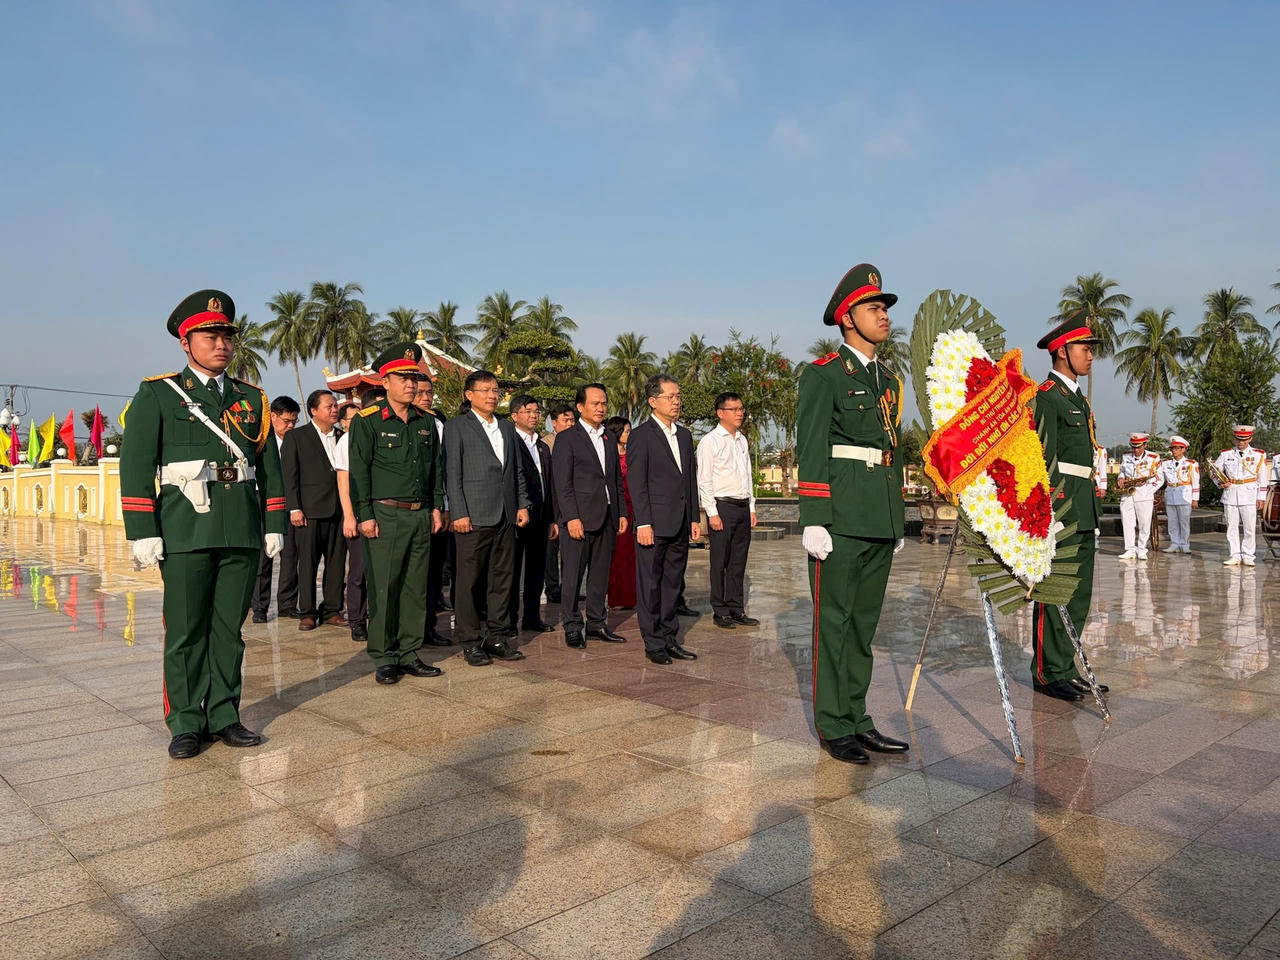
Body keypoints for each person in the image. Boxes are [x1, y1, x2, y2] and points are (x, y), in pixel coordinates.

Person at [120, 289, 286, 758]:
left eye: (226, 336)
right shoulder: (160, 393)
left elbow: (268, 465)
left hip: (240, 528)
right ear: (185, 342)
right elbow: (135, 464)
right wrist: (143, 530)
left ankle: (225, 714)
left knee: (228, 631)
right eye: (209, 335)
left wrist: (273, 521)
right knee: (187, 630)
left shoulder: (250, 397)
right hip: (186, 528)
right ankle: (186, 722)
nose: (221, 344)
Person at [797, 263, 909, 764]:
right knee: (834, 624)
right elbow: (812, 445)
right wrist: (814, 517)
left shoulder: (888, 379)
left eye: (884, 308)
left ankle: (858, 718)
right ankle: (834, 723)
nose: (883, 316)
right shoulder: (823, 375)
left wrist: (896, 514)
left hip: (877, 517)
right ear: (847, 318)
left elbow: (892, 450)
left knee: (864, 627)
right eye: (873, 308)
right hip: (840, 518)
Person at [347, 343, 446, 684]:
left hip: (419, 514)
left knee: (414, 587)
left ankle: (408, 651)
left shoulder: (426, 422)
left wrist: (436, 507)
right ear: (385, 381)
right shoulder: (368, 421)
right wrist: (364, 515)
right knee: (385, 586)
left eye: (414, 377)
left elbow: (434, 468)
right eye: (402, 377)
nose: (411, 384)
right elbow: (358, 471)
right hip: (385, 514)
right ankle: (385, 655)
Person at [1029, 312, 1109, 703]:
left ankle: (1067, 666)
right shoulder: (1046, 396)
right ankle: (1046, 671)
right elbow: (1043, 460)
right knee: (1054, 591)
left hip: (1083, 503)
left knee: (1079, 592)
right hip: (1062, 506)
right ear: (1061, 351)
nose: (1090, 355)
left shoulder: (1077, 397)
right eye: (1084, 348)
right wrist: (1049, 512)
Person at [444, 370, 530, 665]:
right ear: (469, 395)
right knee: (468, 581)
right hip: (474, 516)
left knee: (503, 579)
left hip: (506, 515)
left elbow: (515, 470)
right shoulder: (457, 427)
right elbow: (452, 474)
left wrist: (522, 504)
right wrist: (459, 512)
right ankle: (470, 640)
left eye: (495, 390)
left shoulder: (506, 428)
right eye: (486, 390)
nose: (493, 395)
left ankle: (497, 635)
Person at [628, 375, 700, 664]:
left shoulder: (684, 435)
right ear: (653, 401)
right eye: (670, 397)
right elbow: (637, 482)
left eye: (678, 396)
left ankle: (670, 638)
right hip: (654, 525)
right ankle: (653, 642)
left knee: (673, 584)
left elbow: (689, 481)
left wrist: (694, 517)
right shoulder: (641, 435)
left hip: (680, 522)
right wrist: (643, 522)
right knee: (650, 584)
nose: (676, 401)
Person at [554, 383, 626, 648]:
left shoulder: (608, 437)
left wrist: (620, 512)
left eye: (604, 403)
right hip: (579, 519)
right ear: (580, 406)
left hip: (606, 516)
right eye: (595, 403)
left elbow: (615, 479)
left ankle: (596, 622)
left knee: (599, 574)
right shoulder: (567, 438)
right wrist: (571, 517)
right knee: (573, 575)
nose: (601, 407)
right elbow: (563, 483)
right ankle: (572, 625)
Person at [282, 389, 348, 629]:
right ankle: (307, 612)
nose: (334, 410)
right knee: (308, 563)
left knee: (336, 562)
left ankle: (332, 610)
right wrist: (294, 508)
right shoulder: (297, 437)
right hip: (309, 511)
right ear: (313, 410)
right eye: (329, 406)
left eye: (335, 406)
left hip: (339, 511)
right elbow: (289, 476)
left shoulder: (342, 436)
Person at [697, 391, 759, 629]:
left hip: (742, 506)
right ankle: (720, 609)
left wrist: (752, 506)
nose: (740, 413)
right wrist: (712, 513)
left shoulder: (742, 440)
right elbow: (704, 480)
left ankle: (736, 607)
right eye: (734, 409)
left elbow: (747, 475)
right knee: (720, 561)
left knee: (738, 561)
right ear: (720, 413)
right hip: (722, 506)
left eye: (741, 409)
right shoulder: (710, 442)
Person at [509, 394, 558, 633]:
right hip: (518, 516)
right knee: (512, 569)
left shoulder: (542, 445)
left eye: (536, 411)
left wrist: (552, 519)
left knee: (536, 569)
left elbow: (549, 483)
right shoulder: (509, 441)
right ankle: (509, 620)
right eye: (527, 410)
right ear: (514, 415)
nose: (533, 415)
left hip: (541, 516)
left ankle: (531, 617)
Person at [251, 396, 300, 622]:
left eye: (294, 422)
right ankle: (259, 607)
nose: (290, 426)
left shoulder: (297, 441)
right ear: (273, 417)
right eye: (287, 421)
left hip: (290, 502)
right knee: (264, 556)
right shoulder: (259, 439)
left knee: (290, 555)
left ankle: (288, 604)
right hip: (264, 499)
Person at [414, 377, 452, 648]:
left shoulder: (437, 424)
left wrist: (445, 506)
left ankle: (428, 626)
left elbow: (444, 470)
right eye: (421, 392)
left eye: (430, 392)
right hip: (410, 510)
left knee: (432, 574)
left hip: (437, 509)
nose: (426, 397)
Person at [334, 399, 369, 641]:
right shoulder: (346, 441)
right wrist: (349, 515)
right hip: (357, 513)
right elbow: (344, 481)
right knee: (358, 570)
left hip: (382, 512)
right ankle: (357, 619)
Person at [1213, 425, 1268, 566]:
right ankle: (1235, 555)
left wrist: (1261, 497)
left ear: (1250, 438)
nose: (1241, 442)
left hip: (1249, 494)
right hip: (1230, 493)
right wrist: (1220, 483)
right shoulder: (1226, 454)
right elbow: (1214, 471)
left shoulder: (1259, 454)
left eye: (1244, 439)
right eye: (1238, 439)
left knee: (1249, 527)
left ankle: (1248, 555)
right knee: (1231, 526)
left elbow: (1263, 477)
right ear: (1234, 438)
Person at [542, 402, 577, 605]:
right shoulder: (546, 443)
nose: (570, 424)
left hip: (571, 503)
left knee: (569, 549)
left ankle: (568, 587)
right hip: (552, 503)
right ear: (554, 423)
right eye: (566, 420)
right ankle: (552, 586)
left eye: (572, 420)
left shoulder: (579, 442)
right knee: (550, 549)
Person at [604, 416, 637, 610]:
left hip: (635, 509)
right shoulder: (609, 455)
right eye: (626, 431)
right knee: (617, 556)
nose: (629, 434)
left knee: (632, 556)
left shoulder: (633, 454)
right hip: (617, 509)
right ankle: (617, 597)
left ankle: (632, 596)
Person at [1117, 432, 1163, 561]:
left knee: (1144, 523)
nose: (1136, 450)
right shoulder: (1126, 456)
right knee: (1127, 522)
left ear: (1145, 445)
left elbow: (1159, 479)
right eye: (1133, 447)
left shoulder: (1153, 458)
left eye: (1138, 447)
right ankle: (1130, 549)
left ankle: (1142, 549)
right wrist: (1120, 479)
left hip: (1144, 494)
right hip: (1128, 494)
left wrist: (1147, 487)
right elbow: (1122, 471)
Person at [1159, 436, 1199, 554]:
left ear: (1183, 449)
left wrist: (1195, 499)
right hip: (1171, 493)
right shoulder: (1165, 463)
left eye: (1177, 448)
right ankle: (1174, 543)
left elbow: (1195, 481)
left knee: (1184, 521)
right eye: (1173, 448)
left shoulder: (1191, 464)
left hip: (1185, 495)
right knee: (1172, 521)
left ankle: (1184, 544)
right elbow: (1161, 479)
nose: (1174, 451)